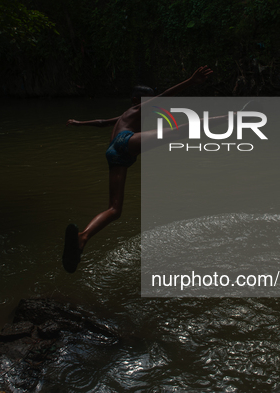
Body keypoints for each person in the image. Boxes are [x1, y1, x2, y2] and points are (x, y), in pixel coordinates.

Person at [62, 66, 213, 273]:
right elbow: (165, 96)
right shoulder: (138, 109)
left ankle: (82, 237)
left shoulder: (127, 114)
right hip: (125, 143)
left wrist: (79, 123)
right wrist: (190, 81)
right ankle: (230, 118)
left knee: (114, 209)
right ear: (136, 100)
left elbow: (102, 123)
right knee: (180, 131)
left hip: (114, 152)